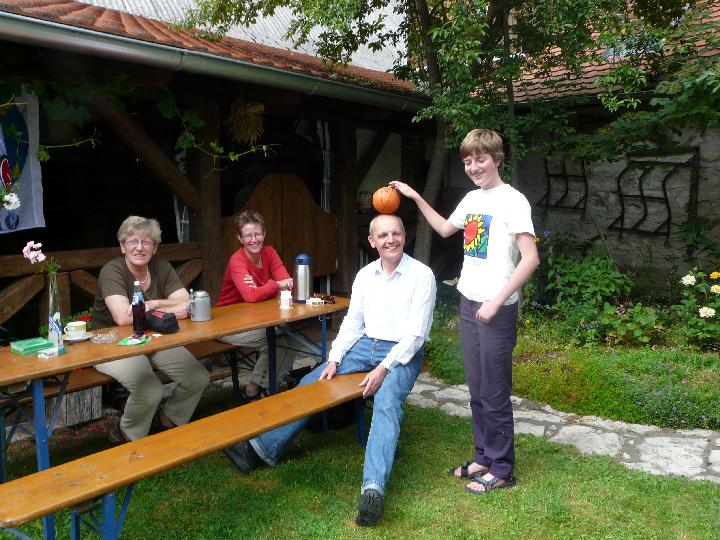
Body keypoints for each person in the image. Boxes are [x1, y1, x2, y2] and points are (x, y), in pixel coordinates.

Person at [222, 214, 436, 527]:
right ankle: (259, 449)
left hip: (403, 352)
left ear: (404, 236)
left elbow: (416, 335)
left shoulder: (422, 275)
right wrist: (334, 359)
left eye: (396, 233)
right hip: (365, 345)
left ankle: (372, 490)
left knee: (387, 400)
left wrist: (383, 368)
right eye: (383, 235)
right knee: (315, 380)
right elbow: (352, 324)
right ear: (372, 241)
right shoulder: (365, 275)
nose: (390, 240)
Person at [390, 128, 539, 495]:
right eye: (468, 161)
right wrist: (415, 196)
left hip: (496, 309)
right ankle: (483, 456)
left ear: (497, 159)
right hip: (470, 302)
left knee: (495, 391)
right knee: (476, 388)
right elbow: (444, 228)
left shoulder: (513, 201)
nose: (473, 167)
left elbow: (530, 259)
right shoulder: (472, 199)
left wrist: (496, 300)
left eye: (480, 159)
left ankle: (501, 468)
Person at [92, 215, 210, 443]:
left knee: (197, 377)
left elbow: (186, 304)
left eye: (146, 241)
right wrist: (169, 309)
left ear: (155, 247)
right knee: (151, 390)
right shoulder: (112, 271)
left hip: (153, 338)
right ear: (122, 246)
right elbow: (122, 317)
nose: (139, 247)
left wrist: (153, 304)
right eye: (133, 241)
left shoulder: (161, 267)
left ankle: (167, 420)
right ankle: (127, 434)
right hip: (111, 344)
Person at [216, 210, 295, 400]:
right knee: (277, 339)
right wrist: (273, 285)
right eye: (248, 235)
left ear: (264, 234)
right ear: (240, 238)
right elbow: (251, 296)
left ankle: (262, 387)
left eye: (257, 234)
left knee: (292, 337)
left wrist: (261, 287)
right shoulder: (237, 261)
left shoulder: (269, 252)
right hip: (227, 324)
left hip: (253, 318)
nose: (253, 239)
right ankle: (258, 390)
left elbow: (289, 286)